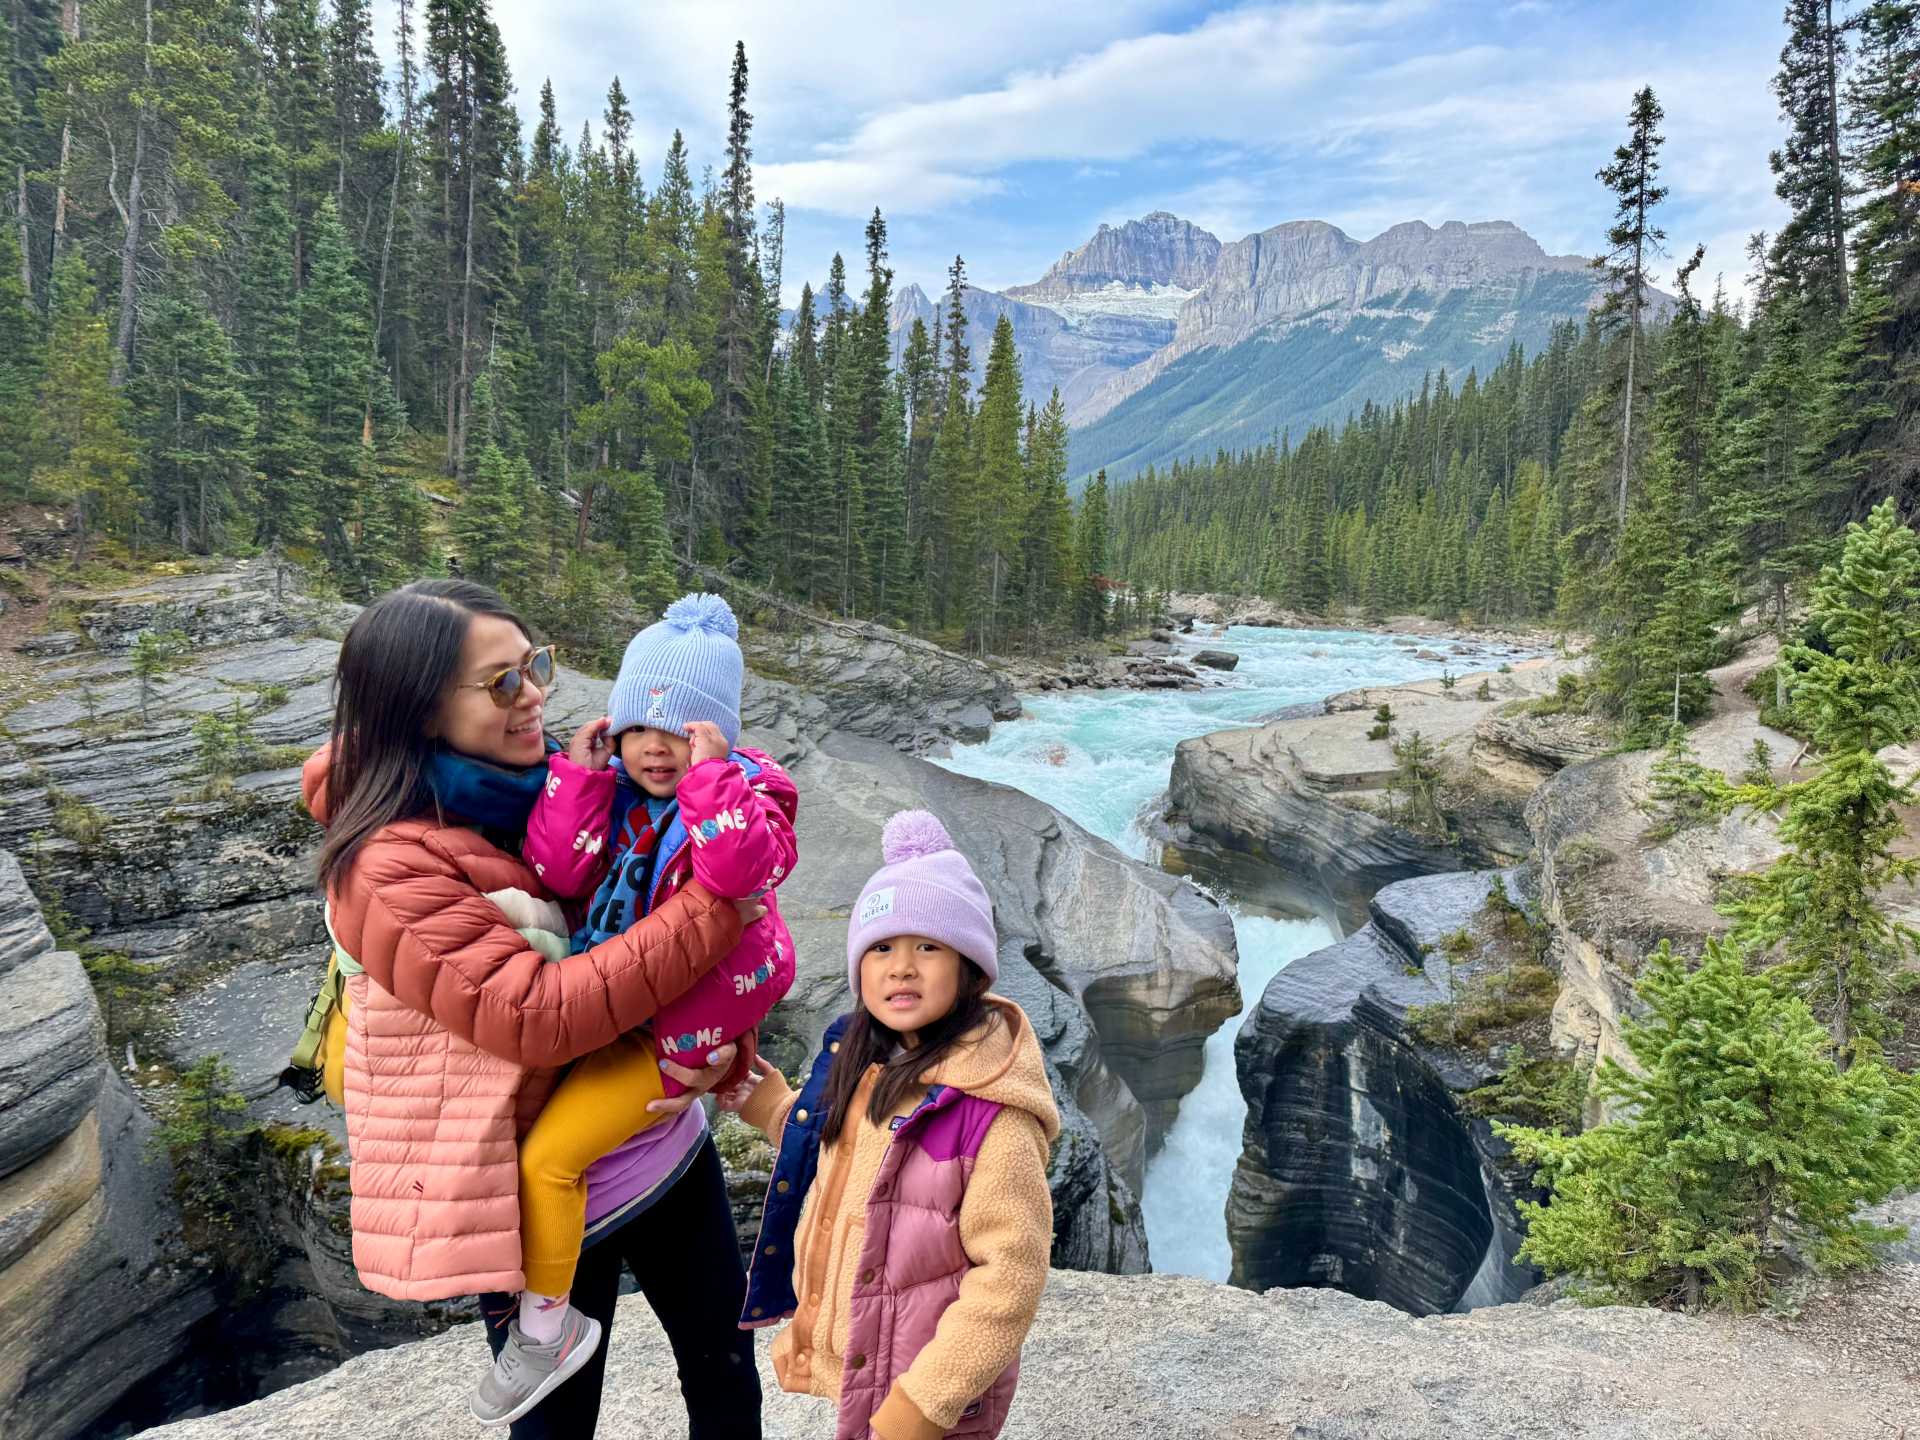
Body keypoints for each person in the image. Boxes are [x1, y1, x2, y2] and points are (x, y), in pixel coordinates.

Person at [302, 578, 761, 1438]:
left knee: (725, 1375)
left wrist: (725, 1037)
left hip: (660, 1138)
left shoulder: (557, 781)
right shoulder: (388, 867)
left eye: (534, 667)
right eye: (503, 683)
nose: (535, 697)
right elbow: (538, 1015)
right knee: (557, 1422)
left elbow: (654, 886)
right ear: (418, 708)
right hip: (534, 1186)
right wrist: (719, 909)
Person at [480, 591, 798, 1423]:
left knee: (723, 1375)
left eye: (683, 730)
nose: (658, 748)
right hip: (583, 1118)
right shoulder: (601, 791)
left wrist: (712, 778)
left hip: (658, 1110)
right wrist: (580, 780)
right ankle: (544, 1333)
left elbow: (737, 875)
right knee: (557, 1417)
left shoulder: (742, 796)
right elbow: (559, 870)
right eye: (641, 728)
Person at [720, 810, 1059, 1440]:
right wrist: (770, 1106)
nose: (901, 967)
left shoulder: (994, 1113)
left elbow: (1011, 1275)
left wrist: (927, 1402)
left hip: (932, 1390)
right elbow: (846, 1156)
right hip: (871, 1361)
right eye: (881, 948)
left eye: (927, 947)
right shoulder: (867, 1061)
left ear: (970, 969)